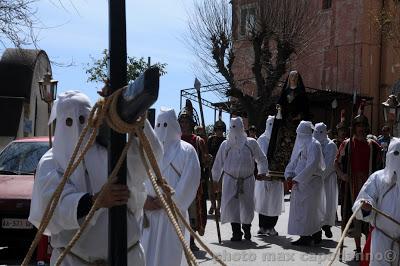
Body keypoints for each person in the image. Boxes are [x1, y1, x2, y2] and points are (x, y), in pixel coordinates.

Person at [29, 91, 163, 265]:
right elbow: (52, 208)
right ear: (59, 124)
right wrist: (95, 201)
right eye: (68, 121)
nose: (77, 128)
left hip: (126, 257)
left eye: (83, 119)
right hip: (73, 261)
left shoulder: (112, 152)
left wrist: (136, 120)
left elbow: (151, 158)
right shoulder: (50, 162)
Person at [141, 107, 201, 266]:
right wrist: (142, 200)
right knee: (145, 254)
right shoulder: (147, 150)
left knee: (170, 256)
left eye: (166, 125)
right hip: (147, 214)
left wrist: (171, 201)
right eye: (159, 125)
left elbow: (191, 180)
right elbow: (135, 179)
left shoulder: (187, 150)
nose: (162, 129)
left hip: (173, 215)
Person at [335, 101, 382, 260]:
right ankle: (357, 249)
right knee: (354, 217)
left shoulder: (373, 146)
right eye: (358, 125)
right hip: (351, 185)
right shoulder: (346, 144)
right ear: (354, 127)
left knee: (369, 218)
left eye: (363, 125)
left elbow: (380, 167)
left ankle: (368, 248)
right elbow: (336, 163)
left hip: (369, 186)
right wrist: (342, 175)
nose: (361, 128)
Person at [212, 117, 268, 241]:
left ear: (242, 128)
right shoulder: (225, 144)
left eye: (237, 127)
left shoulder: (251, 143)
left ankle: (246, 228)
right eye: (232, 127)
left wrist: (262, 171)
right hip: (229, 180)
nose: (234, 130)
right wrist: (215, 179)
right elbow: (218, 163)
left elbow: (261, 158)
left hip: (247, 180)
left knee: (247, 205)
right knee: (232, 206)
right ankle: (236, 232)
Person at [352, 138, 400, 266]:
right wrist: (366, 206)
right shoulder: (378, 178)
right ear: (389, 155)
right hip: (382, 239)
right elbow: (364, 199)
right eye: (396, 154)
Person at [284, 121, 326, 246]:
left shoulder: (314, 144)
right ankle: (308, 234)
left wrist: (298, 178)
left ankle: (310, 235)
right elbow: (294, 161)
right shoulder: (302, 145)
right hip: (301, 182)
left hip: (311, 182)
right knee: (301, 211)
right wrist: (289, 174)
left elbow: (312, 165)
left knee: (310, 210)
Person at [178, 100, 209, 251]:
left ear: (191, 123)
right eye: (181, 121)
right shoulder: (174, 140)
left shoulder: (198, 141)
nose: (183, 123)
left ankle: (191, 241)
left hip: (193, 184)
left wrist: (207, 159)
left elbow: (205, 162)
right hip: (176, 182)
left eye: (186, 121)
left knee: (193, 213)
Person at [268, 70, 310, 174]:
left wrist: (300, 116)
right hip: (285, 123)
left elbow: (305, 109)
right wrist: (279, 108)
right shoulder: (285, 92)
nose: (293, 78)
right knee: (281, 142)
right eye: (291, 76)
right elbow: (280, 104)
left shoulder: (301, 93)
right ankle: (279, 166)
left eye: (295, 77)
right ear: (289, 78)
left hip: (296, 124)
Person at [255, 116, 284, 236]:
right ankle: (262, 226)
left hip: (276, 174)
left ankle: (271, 226)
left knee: (274, 201)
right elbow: (258, 157)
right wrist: (264, 172)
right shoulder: (262, 139)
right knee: (263, 201)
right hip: (264, 175)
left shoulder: (281, 139)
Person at [313, 122, 338, 239]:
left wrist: (319, 176)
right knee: (317, 203)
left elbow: (329, 165)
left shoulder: (331, 145)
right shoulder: (314, 144)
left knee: (328, 202)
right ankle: (316, 226)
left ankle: (326, 225)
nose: (318, 134)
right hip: (316, 178)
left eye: (320, 132)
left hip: (327, 179)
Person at [207, 118, 226, 215]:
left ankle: (218, 208)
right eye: (218, 129)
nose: (219, 131)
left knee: (220, 190)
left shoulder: (226, 141)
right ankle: (213, 205)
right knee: (211, 189)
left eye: (221, 129)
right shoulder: (211, 140)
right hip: (211, 167)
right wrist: (208, 157)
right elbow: (206, 152)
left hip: (222, 168)